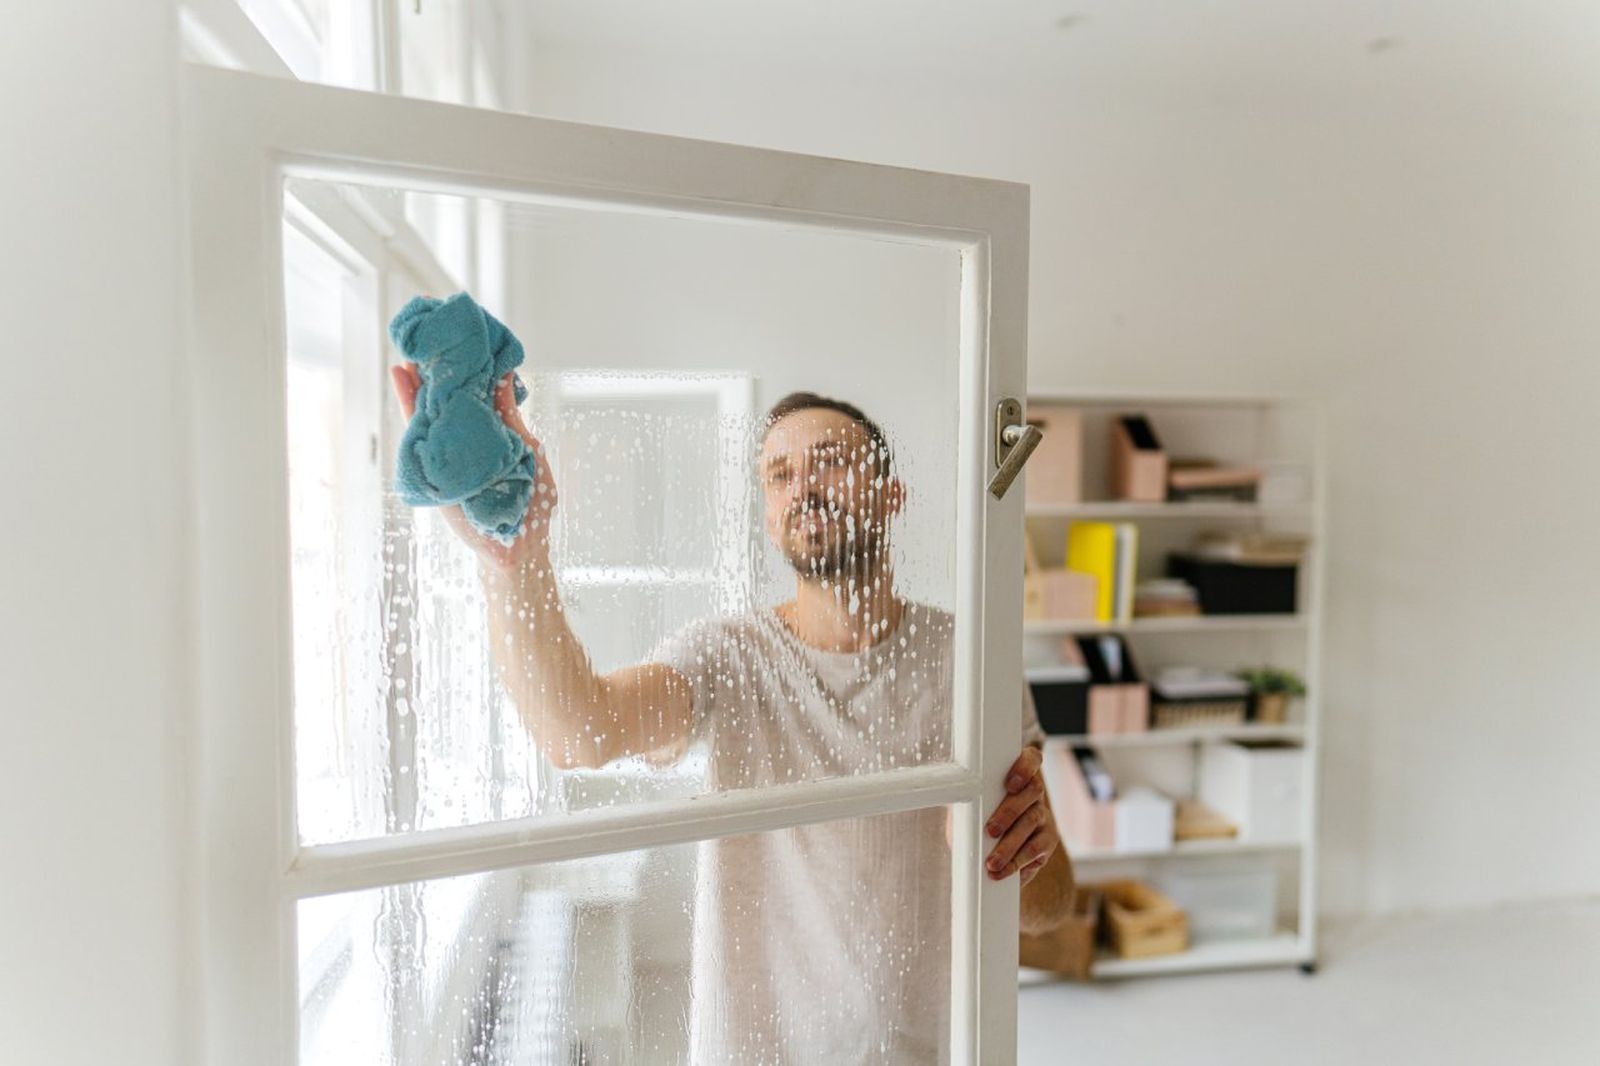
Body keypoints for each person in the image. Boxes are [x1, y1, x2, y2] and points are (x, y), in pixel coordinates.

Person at [391, 369, 1073, 1064]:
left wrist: (1025, 851)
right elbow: (578, 732)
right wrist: (517, 559)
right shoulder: (727, 655)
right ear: (771, 515)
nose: (802, 485)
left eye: (831, 462)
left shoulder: (973, 661)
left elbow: (1050, 909)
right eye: (779, 474)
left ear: (893, 494)